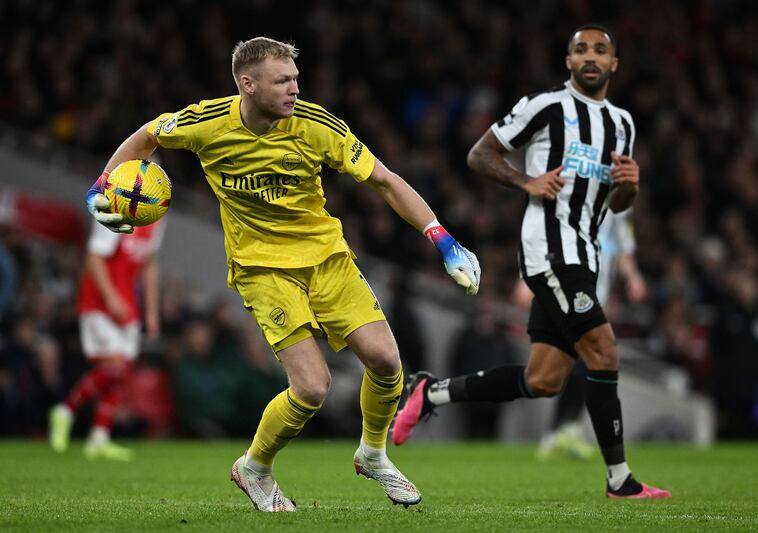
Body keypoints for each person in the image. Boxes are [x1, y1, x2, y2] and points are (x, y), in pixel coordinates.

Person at [84, 37, 480, 512]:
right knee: (312, 387)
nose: (296, 87)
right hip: (262, 267)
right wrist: (102, 184)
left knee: (386, 361)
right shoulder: (205, 123)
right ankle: (254, 467)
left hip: (326, 257)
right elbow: (147, 136)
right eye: (283, 80)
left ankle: (373, 453)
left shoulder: (316, 125)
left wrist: (441, 237)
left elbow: (384, 180)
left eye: (295, 77)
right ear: (247, 85)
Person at [392, 24, 671, 499]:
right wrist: (526, 182)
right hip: (549, 252)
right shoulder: (546, 107)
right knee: (603, 351)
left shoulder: (621, 124)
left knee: (543, 379)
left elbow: (615, 204)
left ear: (614, 64)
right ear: (568, 61)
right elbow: (480, 155)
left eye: (600, 51)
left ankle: (429, 392)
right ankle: (620, 480)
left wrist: (630, 186)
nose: (590, 57)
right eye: (580, 49)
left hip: (587, 255)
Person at [49, 217, 165, 461]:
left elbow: (149, 263)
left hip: (128, 305)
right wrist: (111, 297)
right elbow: (94, 257)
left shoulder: (156, 217)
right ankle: (66, 411)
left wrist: (152, 312)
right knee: (115, 367)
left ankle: (99, 438)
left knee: (120, 375)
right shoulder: (113, 208)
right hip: (99, 301)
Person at [535, 210, 646, 459]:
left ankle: (561, 430)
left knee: (581, 360)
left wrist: (633, 277)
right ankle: (563, 429)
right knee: (587, 358)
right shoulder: (574, 184)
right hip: (572, 287)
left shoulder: (619, 205)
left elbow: (621, 246)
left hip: (598, 292)